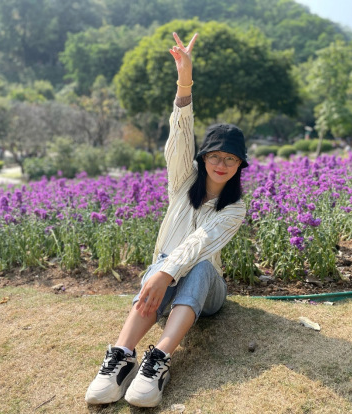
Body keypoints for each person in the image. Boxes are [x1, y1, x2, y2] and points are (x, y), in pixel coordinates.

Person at [85, 31, 248, 408]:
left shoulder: (234, 208)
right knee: (164, 263)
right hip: (168, 279)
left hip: (208, 291)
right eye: (215, 156)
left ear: (239, 165)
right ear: (203, 158)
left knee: (199, 265)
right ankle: (121, 356)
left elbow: (199, 243)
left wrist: (164, 273)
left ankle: (157, 359)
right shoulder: (183, 181)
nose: (221, 164)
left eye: (231, 159)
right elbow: (180, 136)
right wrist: (184, 80)